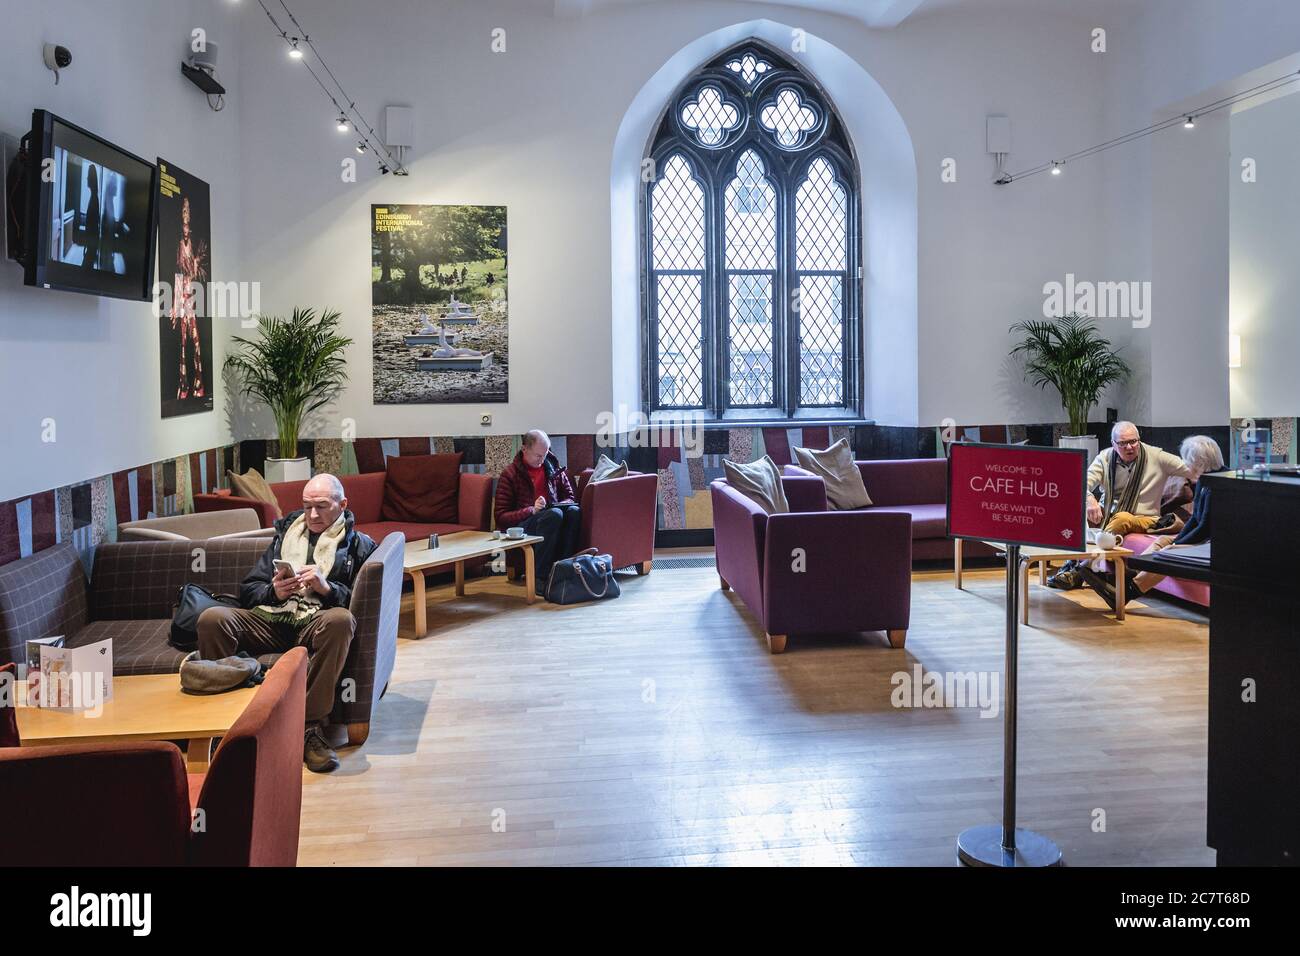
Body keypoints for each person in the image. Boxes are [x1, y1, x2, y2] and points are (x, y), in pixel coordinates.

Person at [196, 474, 376, 773]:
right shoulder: (285, 536)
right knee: (213, 618)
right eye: (307, 507)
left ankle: (309, 728)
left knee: (340, 621)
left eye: (321, 506)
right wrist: (273, 590)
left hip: (315, 622)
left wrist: (326, 588)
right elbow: (249, 589)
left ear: (342, 504)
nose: (313, 515)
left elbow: (358, 602)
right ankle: (224, 725)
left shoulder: (357, 544)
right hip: (271, 618)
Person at [1078, 434, 1223, 610]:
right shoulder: (1204, 480)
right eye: (1123, 443)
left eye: (1188, 461)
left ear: (1199, 461)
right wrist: (1177, 540)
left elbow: (1205, 528)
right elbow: (1195, 519)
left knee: (1169, 551)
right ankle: (1128, 578)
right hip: (1202, 538)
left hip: (1212, 543)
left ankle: (1130, 590)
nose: (1186, 465)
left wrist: (1177, 544)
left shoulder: (1218, 484)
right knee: (1161, 541)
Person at [1048, 421, 1195, 589]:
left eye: (1133, 441)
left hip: (1145, 518)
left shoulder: (1157, 457)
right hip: (1109, 513)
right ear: (1113, 444)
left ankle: (1080, 569)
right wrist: (1089, 499)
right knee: (1075, 510)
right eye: (1123, 443)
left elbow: (1190, 470)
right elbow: (1079, 482)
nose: (1130, 447)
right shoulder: (1105, 457)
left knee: (1122, 518)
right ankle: (1069, 562)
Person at [494, 430, 581, 596]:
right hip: (524, 525)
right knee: (554, 515)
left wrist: (554, 505)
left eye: (545, 454)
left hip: (551, 516)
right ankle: (539, 577)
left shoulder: (552, 467)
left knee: (574, 512)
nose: (542, 460)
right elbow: (501, 516)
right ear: (524, 449)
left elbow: (570, 498)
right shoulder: (510, 474)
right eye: (538, 456)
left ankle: (564, 570)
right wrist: (532, 510)